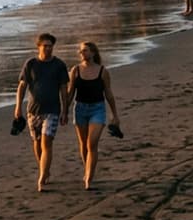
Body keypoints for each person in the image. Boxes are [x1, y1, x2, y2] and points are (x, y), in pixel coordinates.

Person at [13, 32, 72, 193]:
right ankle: (44, 169)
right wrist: (17, 107)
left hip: (52, 110)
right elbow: (22, 86)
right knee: (37, 143)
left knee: (47, 143)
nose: (48, 48)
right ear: (38, 46)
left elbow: (63, 89)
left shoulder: (59, 65)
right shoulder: (31, 64)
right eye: (45, 45)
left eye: (50, 45)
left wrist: (65, 110)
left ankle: (41, 177)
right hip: (33, 111)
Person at [64, 41, 122, 190]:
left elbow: (108, 93)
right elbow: (70, 93)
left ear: (93, 53)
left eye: (86, 50)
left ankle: (89, 177)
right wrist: (64, 111)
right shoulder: (75, 70)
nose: (82, 53)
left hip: (98, 108)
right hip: (80, 109)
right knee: (83, 145)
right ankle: (87, 169)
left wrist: (115, 114)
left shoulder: (102, 71)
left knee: (92, 143)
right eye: (81, 51)